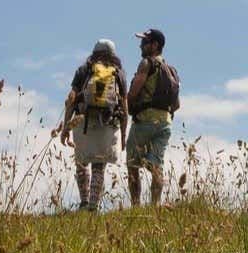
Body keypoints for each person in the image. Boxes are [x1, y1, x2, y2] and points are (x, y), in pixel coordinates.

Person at [59, 39, 129, 212]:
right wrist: (123, 133)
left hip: (83, 121)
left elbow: (71, 99)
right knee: (99, 165)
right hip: (107, 122)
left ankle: (83, 203)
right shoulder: (118, 73)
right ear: (113, 54)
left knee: (82, 163)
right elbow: (124, 106)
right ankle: (93, 207)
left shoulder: (84, 70)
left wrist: (66, 127)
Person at [125, 29, 181, 206]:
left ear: (155, 45)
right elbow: (177, 105)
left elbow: (133, 94)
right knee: (156, 166)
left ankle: (135, 206)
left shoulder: (146, 64)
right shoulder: (171, 70)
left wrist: (128, 105)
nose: (141, 45)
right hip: (165, 123)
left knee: (133, 165)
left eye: (145, 42)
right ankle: (155, 206)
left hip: (145, 121)